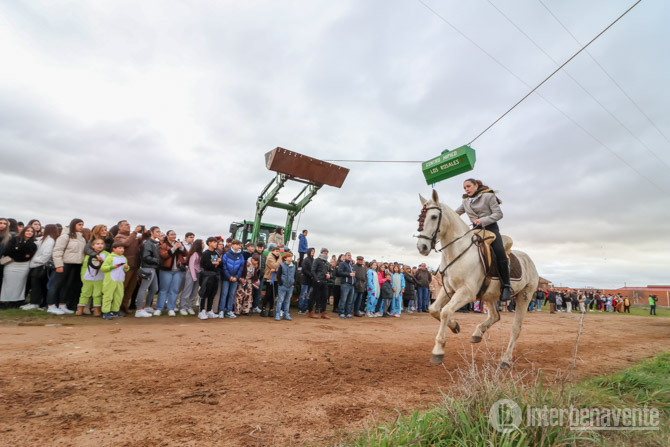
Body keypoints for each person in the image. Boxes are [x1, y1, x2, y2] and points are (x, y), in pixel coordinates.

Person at [456, 178, 512, 302]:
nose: (466, 189)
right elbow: (455, 214)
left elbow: (498, 214)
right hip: (475, 231)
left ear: (476, 186)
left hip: (491, 229)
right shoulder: (465, 201)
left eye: (468, 186)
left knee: (499, 252)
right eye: (464, 188)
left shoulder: (488, 196)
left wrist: (482, 220)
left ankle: (506, 286)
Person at [47, 218, 86, 314]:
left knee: (67, 285)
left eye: (82, 225)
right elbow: (57, 251)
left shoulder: (81, 237)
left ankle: (62, 305)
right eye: (79, 224)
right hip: (64, 264)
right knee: (56, 285)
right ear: (73, 225)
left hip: (76, 265)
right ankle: (51, 305)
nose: (81, 226)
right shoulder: (65, 236)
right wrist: (59, 265)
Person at [23, 224, 58, 310]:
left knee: (36, 286)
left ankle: (35, 303)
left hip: (40, 266)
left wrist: (35, 259)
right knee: (38, 286)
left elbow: (46, 255)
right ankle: (37, 302)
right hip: (39, 265)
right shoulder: (46, 239)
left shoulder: (49, 241)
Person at [0, 226, 37, 307]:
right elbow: (8, 251)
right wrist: (22, 254)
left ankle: (16, 301)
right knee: (8, 284)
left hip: (24, 266)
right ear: (24, 231)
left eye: (31, 231)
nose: (29, 232)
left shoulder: (33, 244)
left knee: (20, 285)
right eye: (28, 230)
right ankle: (4, 301)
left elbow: (29, 256)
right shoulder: (14, 239)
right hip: (11, 264)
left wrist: (18, 250)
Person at [155, 230, 187, 317]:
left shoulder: (179, 243)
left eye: (175, 234)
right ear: (167, 236)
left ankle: (171, 308)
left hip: (178, 270)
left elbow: (186, 254)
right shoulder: (163, 245)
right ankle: (159, 308)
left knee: (174, 290)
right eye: (172, 234)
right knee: (163, 290)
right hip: (166, 270)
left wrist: (181, 247)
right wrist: (173, 248)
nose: (174, 236)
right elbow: (163, 255)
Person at [114, 220, 143, 314]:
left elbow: (141, 241)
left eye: (129, 224)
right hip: (126, 266)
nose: (128, 226)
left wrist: (145, 233)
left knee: (131, 288)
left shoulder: (132, 236)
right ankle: (116, 307)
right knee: (122, 287)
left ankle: (124, 306)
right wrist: (135, 232)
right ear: (120, 227)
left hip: (135, 265)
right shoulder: (118, 237)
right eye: (126, 225)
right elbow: (125, 244)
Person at [76, 238, 108, 316]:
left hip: (100, 278)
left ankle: (96, 310)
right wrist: (83, 277)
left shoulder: (106, 254)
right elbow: (84, 267)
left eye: (102, 244)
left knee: (97, 294)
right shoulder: (88, 255)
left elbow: (108, 264)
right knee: (85, 293)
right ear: (93, 246)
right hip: (88, 278)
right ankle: (80, 310)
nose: (100, 245)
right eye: (97, 244)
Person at [134, 226, 161, 318]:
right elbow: (146, 257)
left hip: (153, 268)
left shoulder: (154, 243)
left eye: (159, 231)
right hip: (148, 268)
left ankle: (147, 306)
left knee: (154, 288)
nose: (159, 233)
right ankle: (139, 309)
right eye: (157, 231)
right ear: (152, 232)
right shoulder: (148, 243)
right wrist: (158, 261)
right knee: (143, 288)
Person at [100, 242, 130, 320]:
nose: (122, 250)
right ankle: (106, 312)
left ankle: (115, 311)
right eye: (119, 248)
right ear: (114, 249)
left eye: (123, 248)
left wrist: (126, 267)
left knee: (119, 296)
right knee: (108, 296)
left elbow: (126, 269)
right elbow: (103, 268)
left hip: (120, 280)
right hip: (110, 280)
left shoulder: (124, 258)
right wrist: (112, 267)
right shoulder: (110, 257)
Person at [218, 239, 245, 319]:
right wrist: (229, 276)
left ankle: (229, 311)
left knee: (232, 294)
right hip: (226, 278)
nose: (238, 246)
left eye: (239, 245)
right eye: (236, 244)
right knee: (224, 294)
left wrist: (236, 277)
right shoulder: (226, 254)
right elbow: (224, 266)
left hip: (235, 279)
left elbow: (241, 267)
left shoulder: (241, 255)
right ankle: (221, 310)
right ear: (232, 245)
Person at [198, 237, 222, 320]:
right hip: (207, 275)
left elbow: (220, 263)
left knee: (212, 293)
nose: (216, 244)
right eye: (214, 242)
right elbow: (204, 264)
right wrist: (215, 263)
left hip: (215, 275)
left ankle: (209, 310)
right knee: (205, 293)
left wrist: (217, 263)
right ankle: (202, 310)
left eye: (216, 242)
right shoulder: (206, 253)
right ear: (209, 243)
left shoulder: (216, 253)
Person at [180, 239, 203, 316]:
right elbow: (191, 265)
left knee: (194, 292)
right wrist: (194, 277)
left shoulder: (200, 254)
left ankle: (190, 306)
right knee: (187, 291)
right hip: (191, 274)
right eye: (202, 243)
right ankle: (182, 307)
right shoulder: (194, 254)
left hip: (198, 274)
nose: (203, 245)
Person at [308, 248, 331, 319]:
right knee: (314, 296)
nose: (325, 253)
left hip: (325, 281)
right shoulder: (317, 260)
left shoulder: (327, 262)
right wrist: (316, 279)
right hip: (317, 281)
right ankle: (310, 311)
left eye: (326, 252)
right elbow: (313, 270)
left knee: (325, 297)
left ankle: (323, 312)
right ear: (321, 252)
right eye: (324, 251)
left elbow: (327, 271)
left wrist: (328, 275)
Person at [261, 246, 281, 317]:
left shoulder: (278, 258)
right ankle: (263, 309)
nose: (277, 252)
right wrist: (279, 261)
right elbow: (274, 265)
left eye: (278, 251)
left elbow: (280, 268)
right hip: (269, 277)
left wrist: (276, 269)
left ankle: (271, 309)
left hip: (276, 278)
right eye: (276, 251)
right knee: (268, 294)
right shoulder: (269, 258)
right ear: (272, 251)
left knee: (273, 294)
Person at [275, 252, 296, 321]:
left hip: (290, 286)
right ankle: (278, 314)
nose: (290, 258)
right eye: (289, 257)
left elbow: (295, 275)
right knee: (280, 300)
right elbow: (278, 275)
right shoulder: (281, 266)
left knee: (287, 301)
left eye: (291, 257)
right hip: (283, 286)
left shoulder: (294, 266)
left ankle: (286, 314)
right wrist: (280, 283)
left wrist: (293, 283)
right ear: (285, 258)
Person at [336, 252, 356, 319]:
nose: (350, 256)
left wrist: (354, 280)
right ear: (345, 256)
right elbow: (339, 272)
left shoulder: (351, 265)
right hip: (345, 284)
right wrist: (349, 274)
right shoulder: (342, 264)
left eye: (350, 255)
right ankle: (341, 312)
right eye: (348, 255)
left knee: (350, 300)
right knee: (343, 299)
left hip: (352, 285)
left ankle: (347, 313)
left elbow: (353, 274)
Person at [298, 247, 315, 314]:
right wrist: (311, 275)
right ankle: (300, 308)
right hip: (305, 280)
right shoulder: (306, 260)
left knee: (308, 295)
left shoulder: (313, 260)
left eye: (313, 251)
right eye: (312, 251)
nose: (313, 252)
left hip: (311, 281)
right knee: (303, 295)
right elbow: (304, 269)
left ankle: (305, 307)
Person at [251, 241, 266, 313]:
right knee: (251, 291)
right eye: (258, 247)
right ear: (256, 247)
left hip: (261, 277)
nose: (260, 249)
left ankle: (255, 306)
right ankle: (249, 306)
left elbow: (264, 266)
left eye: (261, 248)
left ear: (263, 248)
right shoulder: (253, 255)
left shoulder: (264, 256)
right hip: (253, 277)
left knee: (258, 292)